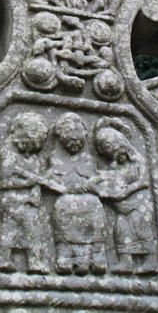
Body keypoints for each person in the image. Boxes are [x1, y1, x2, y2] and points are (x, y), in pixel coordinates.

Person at [91, 117, 157, 275]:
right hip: (123, 206)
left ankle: (150, 261)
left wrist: (127, 191)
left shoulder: (137, 161)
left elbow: (145, 181)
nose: (112, 154)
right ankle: (126, 261)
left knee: (139, 224)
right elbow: (111, 179)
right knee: (121, 227)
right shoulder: (115, 167)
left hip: (139, 201)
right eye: (107, 151)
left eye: (113, 146)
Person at [47, 112, 108, 274]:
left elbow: (101, 183)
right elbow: (51, 180)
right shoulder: (55, 158)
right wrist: (64, 186)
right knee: (63, 206)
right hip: (66, 202)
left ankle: (96, 256)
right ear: (61, 138)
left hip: (90, 202)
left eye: (78, 138)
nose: (74, 143)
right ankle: (65, 255)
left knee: (95, 207)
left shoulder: (90, 160)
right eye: (69, 138)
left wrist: (91, 186)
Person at [0, 112, 52, 273]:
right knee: (17, 229)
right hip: (13, 200)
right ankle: (10, 260)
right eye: (29, 143)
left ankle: (25, 261)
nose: (31, 149)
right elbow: (5, 182)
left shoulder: (33, 158)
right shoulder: (8, 153)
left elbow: (36, 180)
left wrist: (35, 189)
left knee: (29, 230)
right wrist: (31, 182)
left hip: (30, 201)